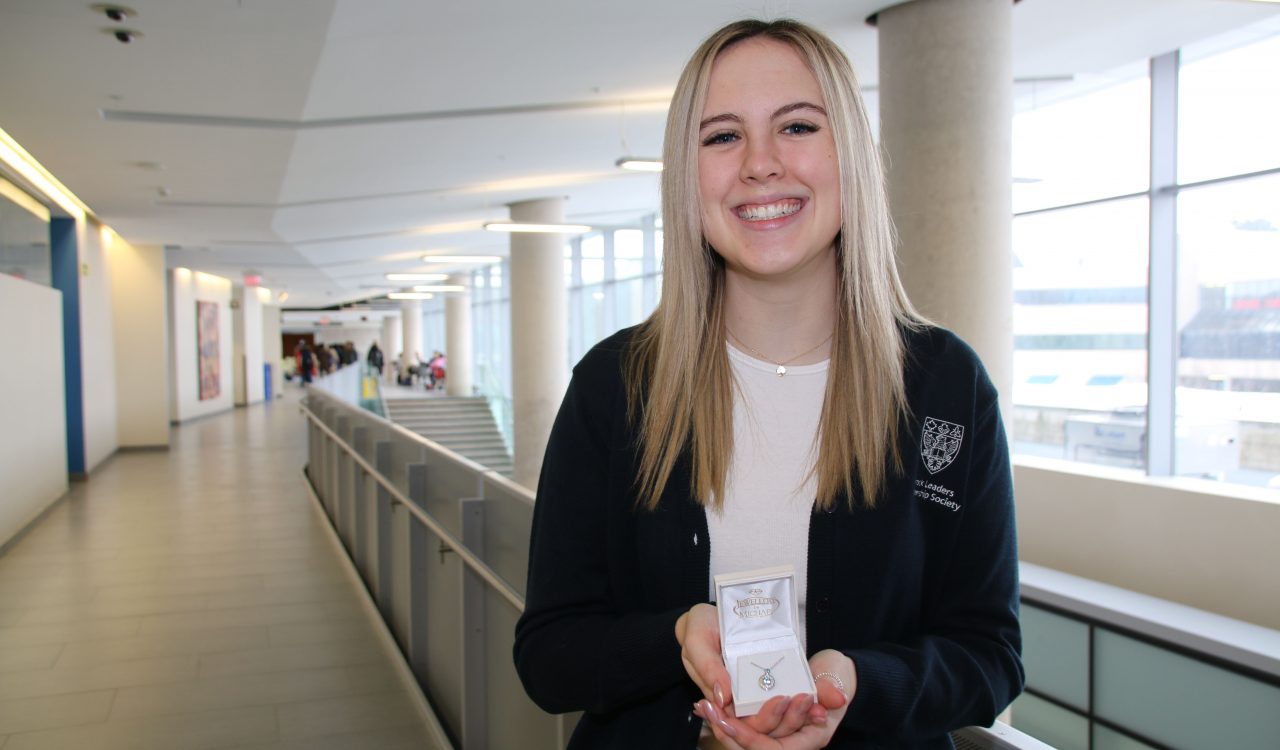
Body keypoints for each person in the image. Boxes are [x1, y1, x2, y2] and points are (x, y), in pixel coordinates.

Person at [513, 18, 1022, 749]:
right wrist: (676, 637)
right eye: (721, 136)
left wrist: (856, 681)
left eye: (797, 126)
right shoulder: (616, 385)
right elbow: (549, 656)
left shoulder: (943, 387)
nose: (760, 163)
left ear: (850, 153)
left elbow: (990, 654)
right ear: (688, 177)